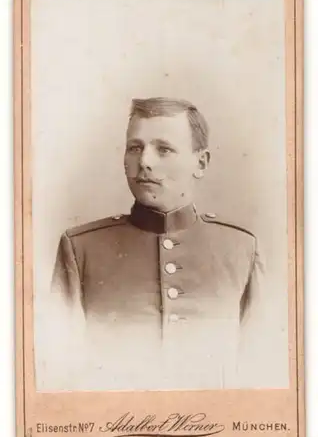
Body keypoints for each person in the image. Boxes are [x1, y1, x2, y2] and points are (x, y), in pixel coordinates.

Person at [51, 97, 264, 390]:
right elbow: (57, 372)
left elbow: (261, 368)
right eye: (135, 148)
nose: (145, 162)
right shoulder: (80, 249)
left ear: (200, 162)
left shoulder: (241, 248)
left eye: (164, 149)